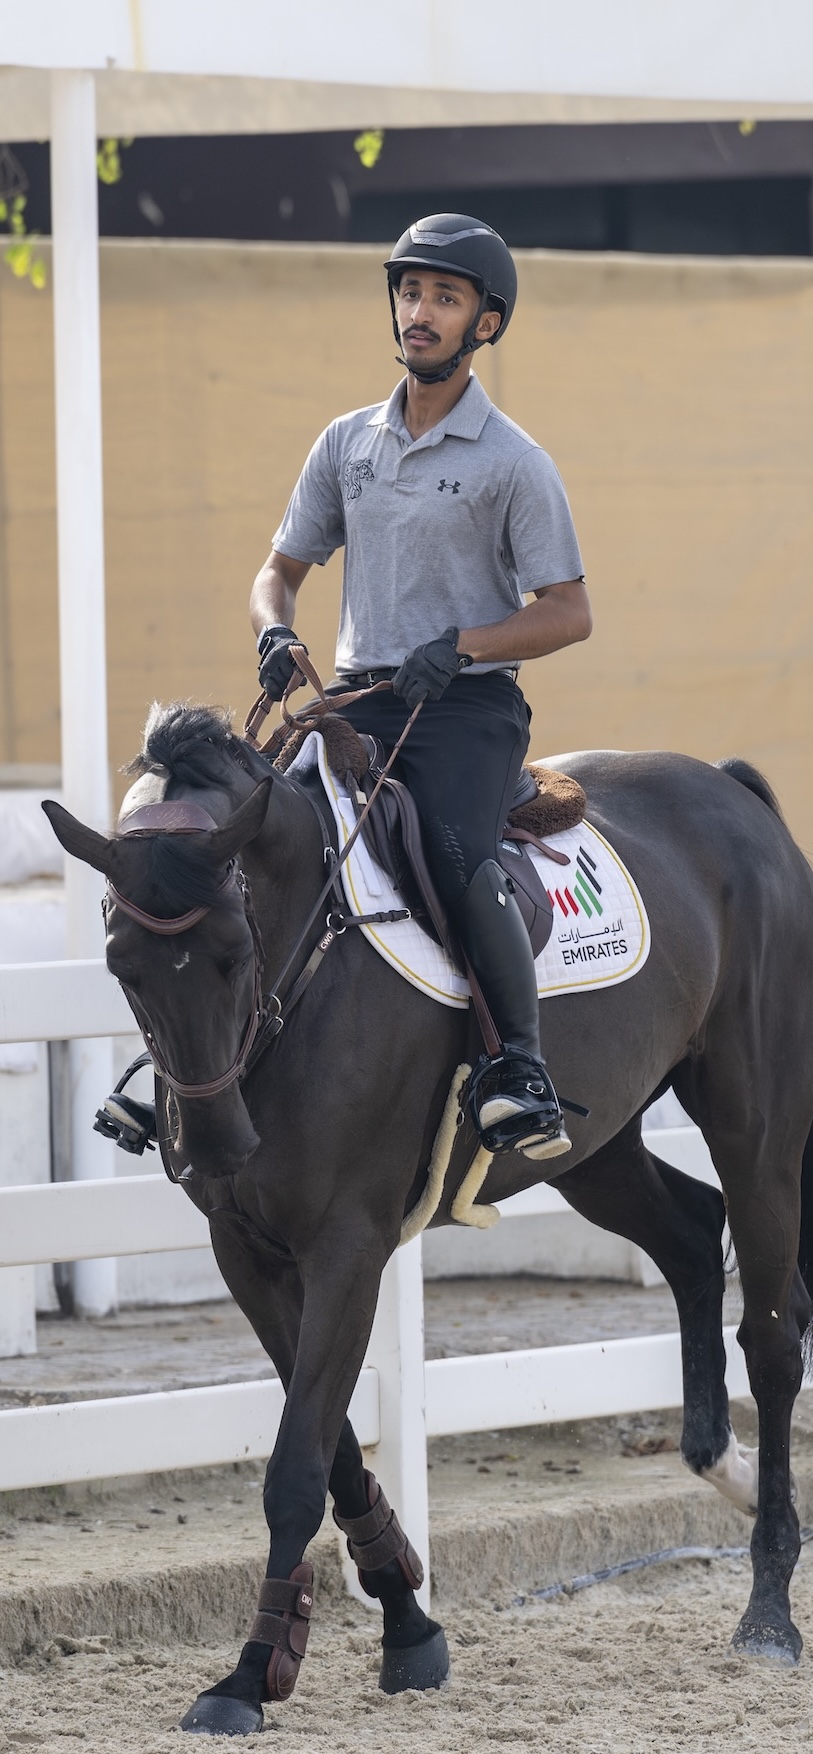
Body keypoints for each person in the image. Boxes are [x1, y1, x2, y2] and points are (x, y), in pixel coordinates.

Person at [250, 213, 592, 1161]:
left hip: (464, 706)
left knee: (450, 848)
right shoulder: (345, 442)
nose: (421, 312)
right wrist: (275, 630)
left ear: (486, 323)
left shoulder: (516, 463)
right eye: (410, 292)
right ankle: (205, 1067)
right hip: (358, 696)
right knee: (245, 825)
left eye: (445, 298)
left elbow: (568, 612)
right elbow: (275, 573)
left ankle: (520, 1065)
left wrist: (468, 646)